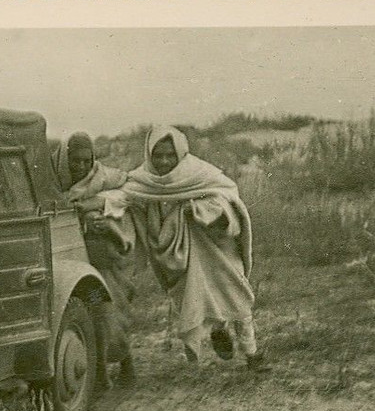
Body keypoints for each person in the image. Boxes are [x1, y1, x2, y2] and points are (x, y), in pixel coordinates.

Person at [121, 125, 268, 371]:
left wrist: (199, 211)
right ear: (149, 154)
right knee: (194, 297)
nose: (164, 161)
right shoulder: (142, 180)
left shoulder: (200, 173)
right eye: (158, 155)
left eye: (170, 155)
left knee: (237, 297)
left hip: (217, 247)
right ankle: (219, 329)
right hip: (180, 255)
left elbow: (227, 199)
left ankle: (252, 355)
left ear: (181, 153)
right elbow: (124, 198)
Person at [52, 132, 136, 386]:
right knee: (90, 314)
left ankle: (123, 366)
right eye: (75, 161)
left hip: (104, 258)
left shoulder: (104, 178)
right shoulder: (53, 181)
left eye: (86, 161)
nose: (81, 167)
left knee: (108, 311)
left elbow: (128, 192)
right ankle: (99, 372)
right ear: (64, 160)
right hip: (71, 259)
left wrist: (98, 208)